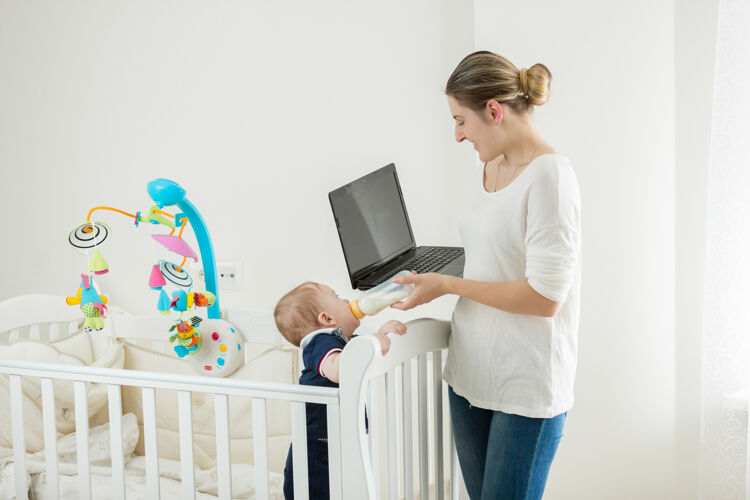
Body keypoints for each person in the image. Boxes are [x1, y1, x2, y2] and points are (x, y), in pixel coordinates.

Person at [391, 51, 581, 500]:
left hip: (525, 388)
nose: (458, 136)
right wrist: (429, 273)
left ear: (493, 111)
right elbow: (498, 254)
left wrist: (448, 285)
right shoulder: (491, 166)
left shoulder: (550, 178)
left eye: (461, 121)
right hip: (471, 374)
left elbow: (545, 297)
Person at [273, 281, 407, 500]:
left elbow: (359, 354)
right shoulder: (320, 342)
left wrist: (381, 335)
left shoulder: (338, 340)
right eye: (337, 296)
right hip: (316, 455)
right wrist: (373, 340)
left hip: (333, 445)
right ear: (327, 319)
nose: (347, 300)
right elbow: (337, 369)